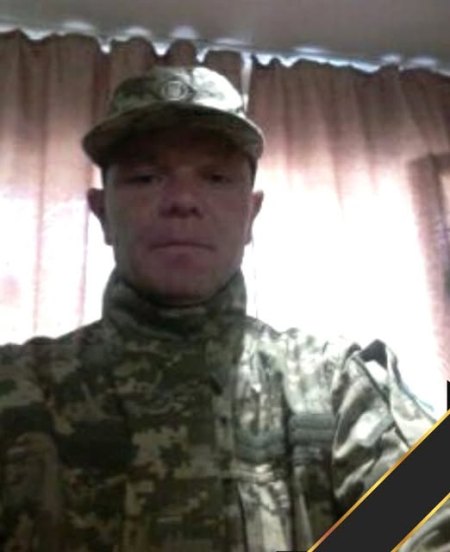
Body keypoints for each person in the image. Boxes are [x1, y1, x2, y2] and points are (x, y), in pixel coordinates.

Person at [0, 65, 441, 552]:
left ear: (251, 214)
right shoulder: (17, 388)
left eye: (215, 177)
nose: (182, 200)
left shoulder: (338, 385)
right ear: (102, 213)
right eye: (146, 177)